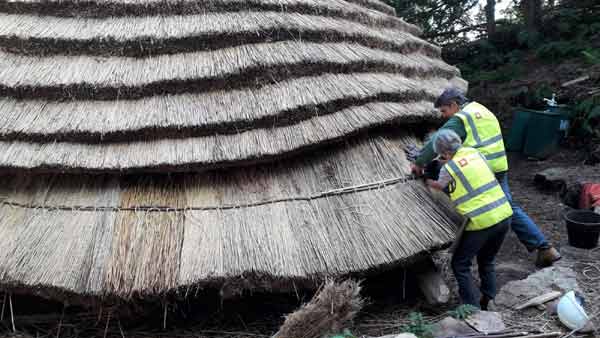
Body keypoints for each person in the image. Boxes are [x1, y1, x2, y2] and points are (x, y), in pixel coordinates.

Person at [412, 88, 560, 267]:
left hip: (481, 169)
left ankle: (457, 236)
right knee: (508, 206)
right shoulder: (481, 110)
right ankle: (544, 248)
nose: (444, 116)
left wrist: (419, 163)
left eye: (444, 111)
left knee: (445, 179)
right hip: (499, 166)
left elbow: (438, 140)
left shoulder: (461, 118)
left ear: (453, 105)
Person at [427, 130, 511, 309]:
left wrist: (426, 181)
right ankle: (489, 299)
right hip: (504, 214)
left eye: (441, 155)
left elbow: (439, 185)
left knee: (460, 264)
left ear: (446, 153)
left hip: (481, 221)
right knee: (486, 260)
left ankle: (471, 308)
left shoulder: (449, 168)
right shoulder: (475, 153)